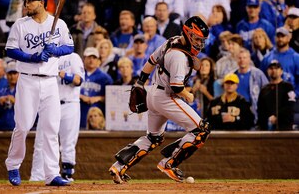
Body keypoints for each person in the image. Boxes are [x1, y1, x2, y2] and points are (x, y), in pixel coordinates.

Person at [109, 16, 211, 184]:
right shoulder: (179, 56)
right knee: (201, 130)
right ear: (187, 33)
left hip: (153, 94)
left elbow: (151, 61)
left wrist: (140, 82)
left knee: (153, 137)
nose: (200, 43)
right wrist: (189, 95)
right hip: (166, 97)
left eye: (202, 40)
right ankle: (168, 163)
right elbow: (177, 87)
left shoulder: (172, 41)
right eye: (197, 38)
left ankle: (118, 167)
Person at [4, 0, 74, 186]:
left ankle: (52, 174)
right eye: (26, 1)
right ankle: (13, 165)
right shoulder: (20, 24)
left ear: (42, 3)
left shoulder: (58, 23)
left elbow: (69, 47)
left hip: (51, 81)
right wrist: (31, 57)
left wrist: (55, 50)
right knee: (23, 126)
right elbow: (10, 50)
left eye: (30, 1)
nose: (26, 4)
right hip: (27, 79)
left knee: (51, 128)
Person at [30, 52, 85, 182]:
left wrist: (61, 73)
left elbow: (78, 80)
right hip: (49, 104)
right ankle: (37, 176)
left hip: (69, 103)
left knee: (68, 142)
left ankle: (67, 174)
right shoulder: (46, 57)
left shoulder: (73, 57)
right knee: (41, 141)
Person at [260, 27, 299, 97]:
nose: (280, 39)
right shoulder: (267, 57)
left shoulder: (296, 57)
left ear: (288, 38)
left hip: (290, 97)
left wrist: (295, 94)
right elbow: (262, 78)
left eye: (283, 36)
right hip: (272, 96)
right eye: (278, 36)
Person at [257, 60, 296, 131]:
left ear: (281, 71)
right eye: (271, 68)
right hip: (267, 128)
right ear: (268, 71)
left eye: (276, 68)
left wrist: (277, 116)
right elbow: (261, 109)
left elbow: (290, 106)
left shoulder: (288, 87)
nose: (274, 70)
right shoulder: (264, 89)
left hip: (285, 126)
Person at [80, 47, 113, 129]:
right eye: (89, 57)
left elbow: (112, 98)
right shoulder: (78, 75)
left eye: (94, 58)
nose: (91, 60)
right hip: (80, 114)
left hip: (97, 117)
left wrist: (98, 98)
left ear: (98, 61)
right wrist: (80, 96)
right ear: (84, 59)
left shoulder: (105, 78)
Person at [233, 48, 269, 123]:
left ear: (249, 59)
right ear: (236, 60)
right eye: (240, 58)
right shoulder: (233, 75)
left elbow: (267, 91)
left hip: (253, 110)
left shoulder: (258, 74)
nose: (242, 60)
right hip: (236, 110)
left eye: (244, 58)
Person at [0, 61, 18, 131]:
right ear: (6, 75)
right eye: (10, 73)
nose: (12, 76)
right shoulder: (2, 92)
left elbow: (30, 112)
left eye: (14, 73)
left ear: (19, 74)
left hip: (19, 130)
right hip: (3, 129)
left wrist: (15, 102)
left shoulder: (24, 91)